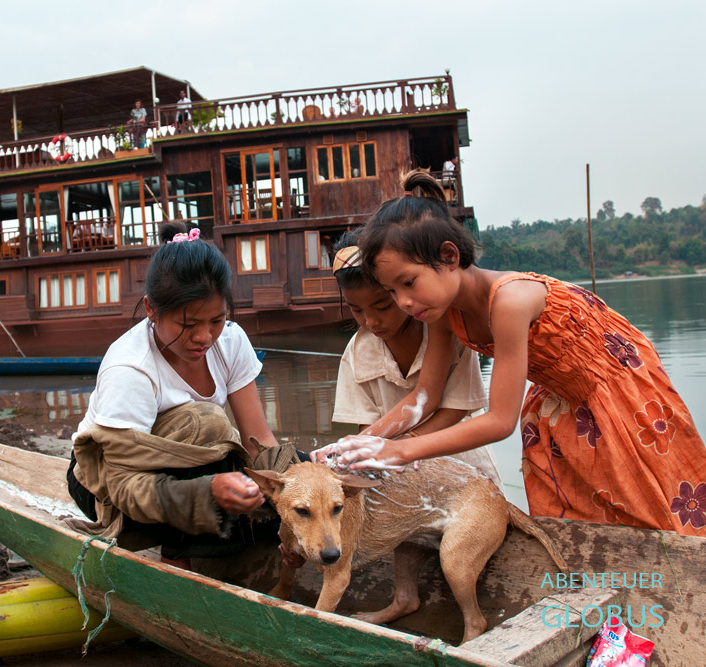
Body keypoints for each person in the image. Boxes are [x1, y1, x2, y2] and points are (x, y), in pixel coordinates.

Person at [319, 171, 706, 535]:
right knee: (578, 521)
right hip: (561, 399)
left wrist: (400, 451)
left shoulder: (509, 301)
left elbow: (500, 420)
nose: (403, 301)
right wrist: (357, 445)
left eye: (408, 282)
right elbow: (425, 396)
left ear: (449, 257)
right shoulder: (441, 311)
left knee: (652, 512)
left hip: (616, 391)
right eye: (391, 291)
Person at [66, 221, 299, 568]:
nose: (205, 337)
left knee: (293, 470)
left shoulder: (230, 340)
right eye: (188, 325)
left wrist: (288, 504)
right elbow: (123, 485)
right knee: (209, 423)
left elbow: (257, 441)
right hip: (108, 483)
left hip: (185, 467)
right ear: (151, 309)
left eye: (216, 320)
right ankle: (181, 560)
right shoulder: (130, 369)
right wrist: (206, 492)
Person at [329, 230, 502, 486]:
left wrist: (409, 444)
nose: (371, 321)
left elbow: (457, 408)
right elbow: (366, 426)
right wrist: (354, 449)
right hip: (397, 474)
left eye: (382, 307)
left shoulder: (450, 332)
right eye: (357, 310)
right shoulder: (356, 354)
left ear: (398, 291)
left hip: (464, 466)